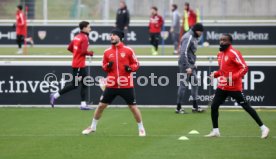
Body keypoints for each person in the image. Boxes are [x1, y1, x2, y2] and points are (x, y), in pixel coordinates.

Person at [81, 29, 146, 137]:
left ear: (120, 37)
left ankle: (141, 128)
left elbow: (137, 64)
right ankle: (92, 127)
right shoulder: (107, 52)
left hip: (126, 85)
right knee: (101, 105)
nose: (111, 36)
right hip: (111, 85)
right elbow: (104, 66)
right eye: (111, 35)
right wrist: (107, 66)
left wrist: (130, 68)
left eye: (114, 35)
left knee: (133, 107)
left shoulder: (128, 50)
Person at [205, 34, 270, 139]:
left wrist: (232, 78)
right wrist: (215, 74)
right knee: (214, 106)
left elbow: (244, 68)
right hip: (223, 87)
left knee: (246, 107)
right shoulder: (220, 54)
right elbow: (223, 71)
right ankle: (215, 131)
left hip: (234, 87)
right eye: (220, 40)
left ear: (229, 42)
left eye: (224, 40)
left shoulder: (234, 53)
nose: (221, 42)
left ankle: (264, 128)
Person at [50, 21, 94, 110]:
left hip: (79, 64)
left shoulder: (77, 36)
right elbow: (83, 52)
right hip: (79, 65)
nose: (90, 29)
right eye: (89, 27)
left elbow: (69, 48)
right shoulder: (84, 38)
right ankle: (54, 95)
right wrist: (90, 53)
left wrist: (76, 54)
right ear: (84, 28)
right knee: (75, 85)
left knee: (85, 83)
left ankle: (83, 104)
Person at [176, 23, 205, 114]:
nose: (201, 34)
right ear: (197, 31)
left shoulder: (194, 37)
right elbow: (183, 52)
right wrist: (187, 66)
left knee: (195, 82)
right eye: (201, 32)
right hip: (185, 65)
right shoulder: (188, 37)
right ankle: (178, 108)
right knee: (183, 85)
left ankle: (195, 106)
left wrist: (193, 63)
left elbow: (190, 53)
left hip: (191, 64)